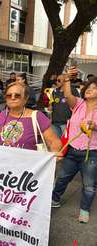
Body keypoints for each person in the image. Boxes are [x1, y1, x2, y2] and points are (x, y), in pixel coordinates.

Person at [52, 69, 97, 224]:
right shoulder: (78, 104)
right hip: (72, 150)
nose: (90, 89)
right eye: (88, 87)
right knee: (62, 178)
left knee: (89, 185)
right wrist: (66, 79)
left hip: (91, 153)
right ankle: (54, 199)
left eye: (94, 88)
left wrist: (94, 125)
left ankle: (84, 210)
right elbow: (68, 95)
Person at [0, 82, 61, 152]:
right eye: (9, 95)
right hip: (1, 161)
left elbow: (53, 141)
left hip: (27, 162)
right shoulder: (2, 114)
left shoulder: (37, 116)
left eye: (17, 95)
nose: (12, 98)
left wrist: (55, 153)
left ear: (25, 98)